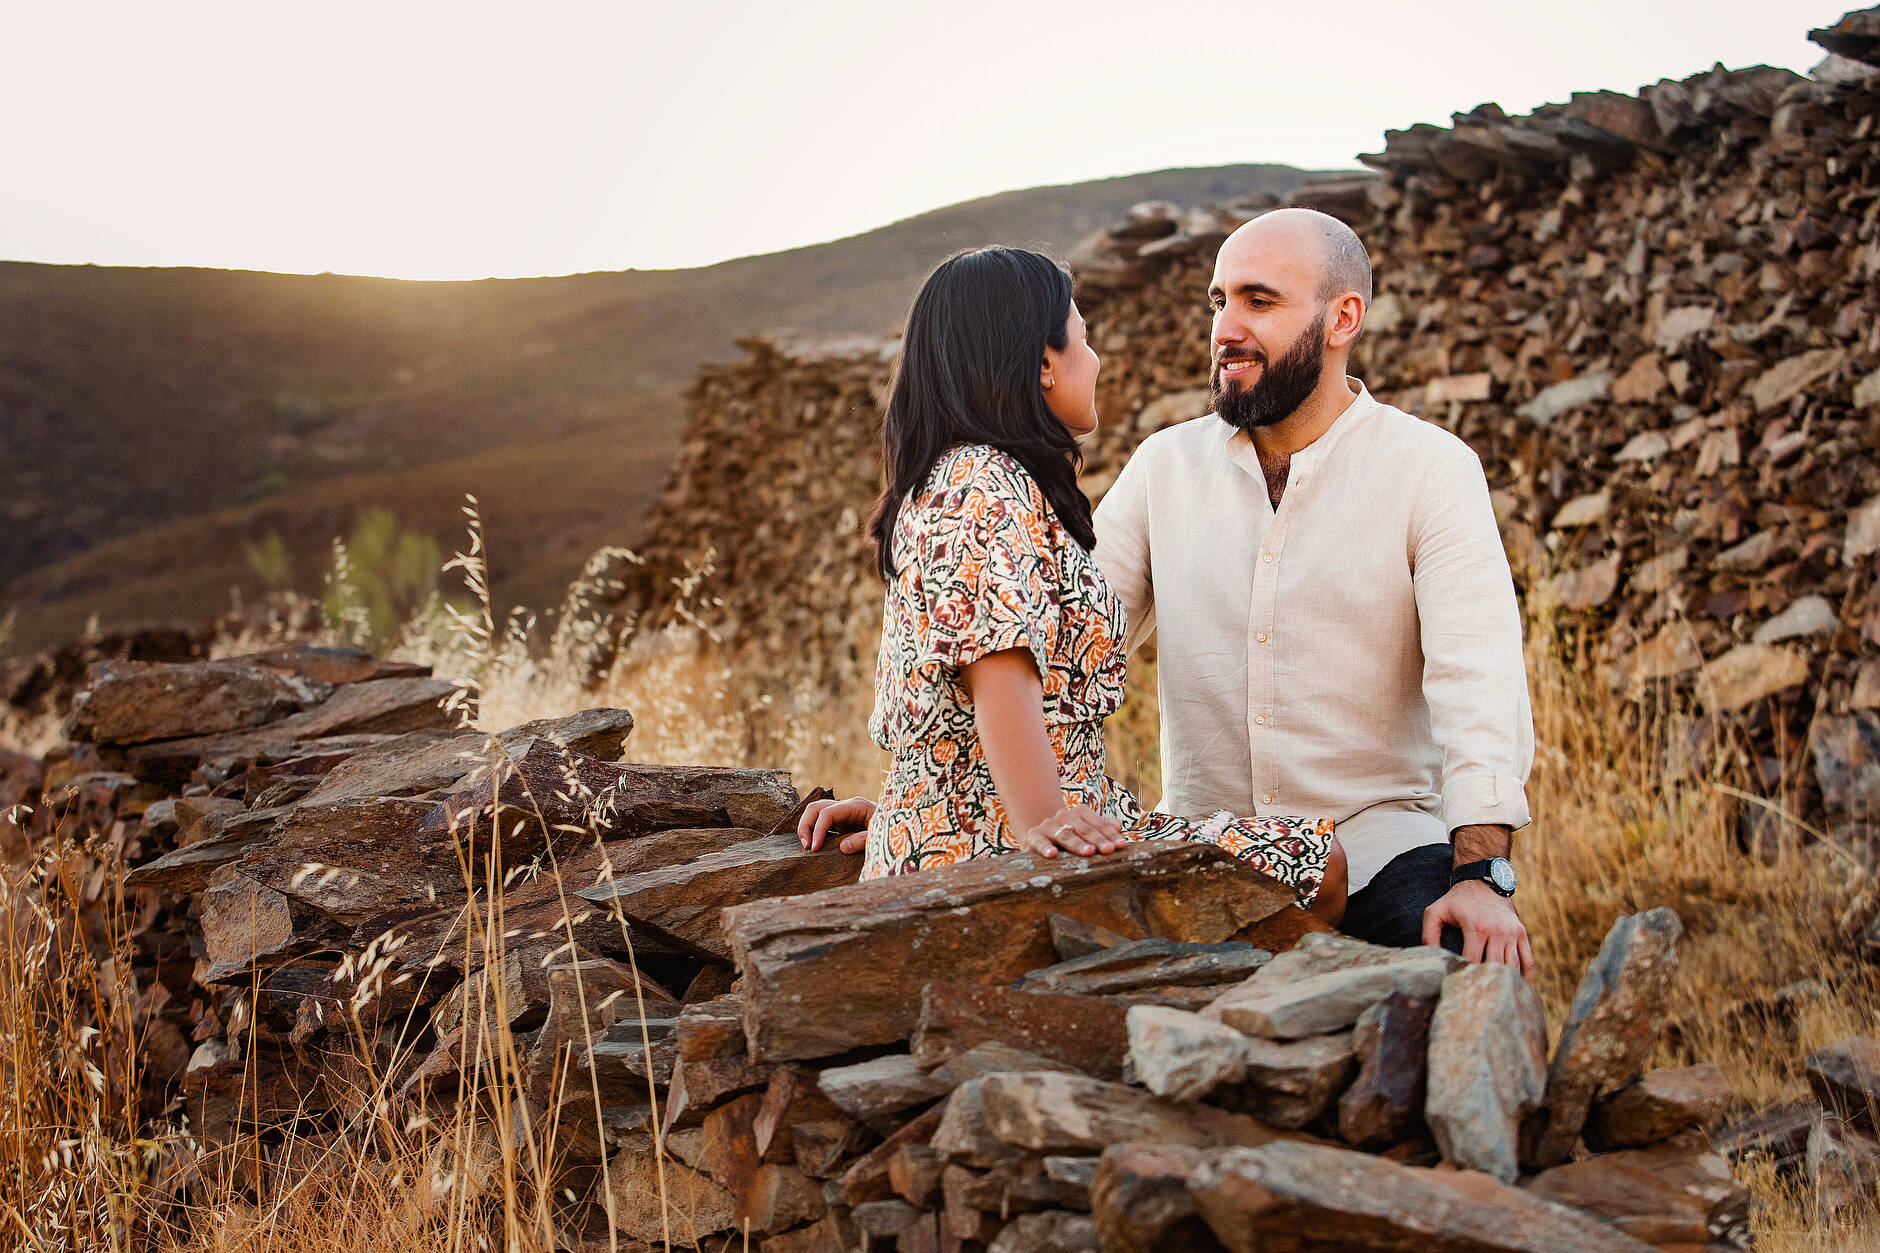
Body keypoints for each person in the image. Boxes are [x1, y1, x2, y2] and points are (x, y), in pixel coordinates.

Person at [798, 246, 1344, 919]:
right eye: (1083, 340)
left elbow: (957, 700)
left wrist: (926, 800)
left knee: (1312, 862)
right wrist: (1038, 817)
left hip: (1001, 812)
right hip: (1005, 841)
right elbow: (996, 670)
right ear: (1044, 363)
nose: (1097, 362)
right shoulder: (980, 485)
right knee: (1319, 868)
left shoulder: (986, 482)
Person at [1092, 208, 1536, 974]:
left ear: (1343, 317)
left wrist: (1479, 875)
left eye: (1258, 302)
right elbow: (1057, 645)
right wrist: (922, 796)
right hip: (1206, 853)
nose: (1226, 327)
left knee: (1460, 980)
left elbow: (1480, 681)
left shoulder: (1430, 469)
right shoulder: (1165, 467)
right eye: (1218, 301)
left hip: (1377, 848)